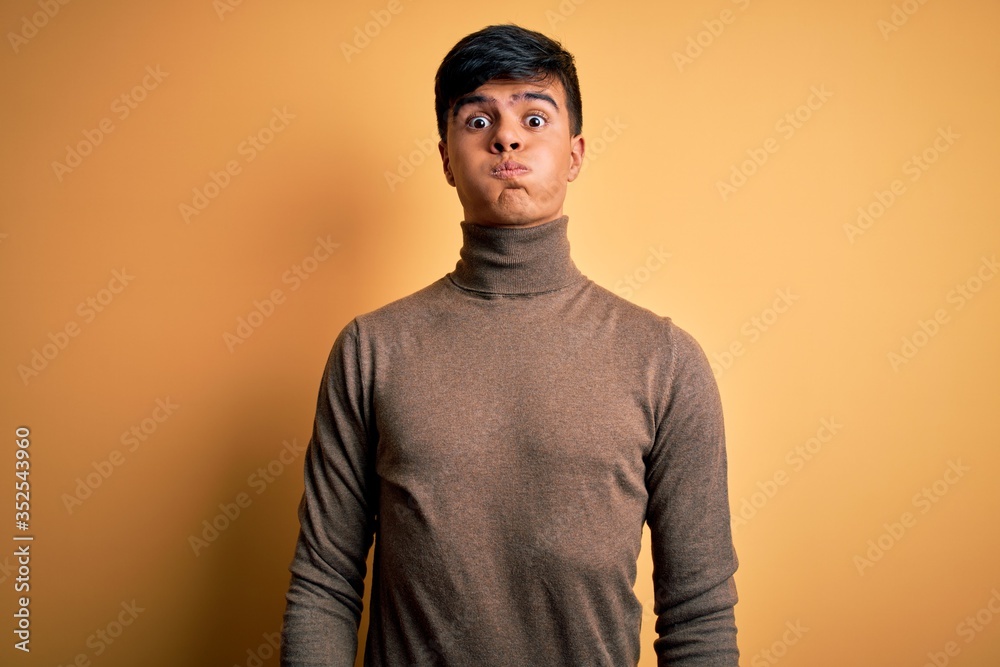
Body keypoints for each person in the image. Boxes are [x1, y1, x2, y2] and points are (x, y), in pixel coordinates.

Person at [280, 23, 739, 666]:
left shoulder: (664, 360)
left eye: (534, 115)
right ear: (445, 156)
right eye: (477, 119)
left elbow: (699, 614)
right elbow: (325, 585)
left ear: (575, 154)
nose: (506, 135)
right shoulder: (371, 350)